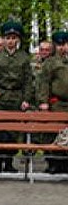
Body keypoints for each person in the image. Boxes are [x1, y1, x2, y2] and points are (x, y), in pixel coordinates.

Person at [0, 20, 32, 173]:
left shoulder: (24, 58)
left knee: (12, 131)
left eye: (13, 38)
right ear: (3, 40)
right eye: (7, 38)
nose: (10, 41)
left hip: (16, 96)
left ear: (17, 40)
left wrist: (26, 99)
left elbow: (28, 80)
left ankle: (9, 162)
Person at [36, 30, 68, 173]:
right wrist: (43, 101)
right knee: (53, 134)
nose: (63, 47)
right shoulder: (51, 63)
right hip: (57, 103)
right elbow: (43, 83)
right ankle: (54, 163)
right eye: (59, 44)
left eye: (65, 44)